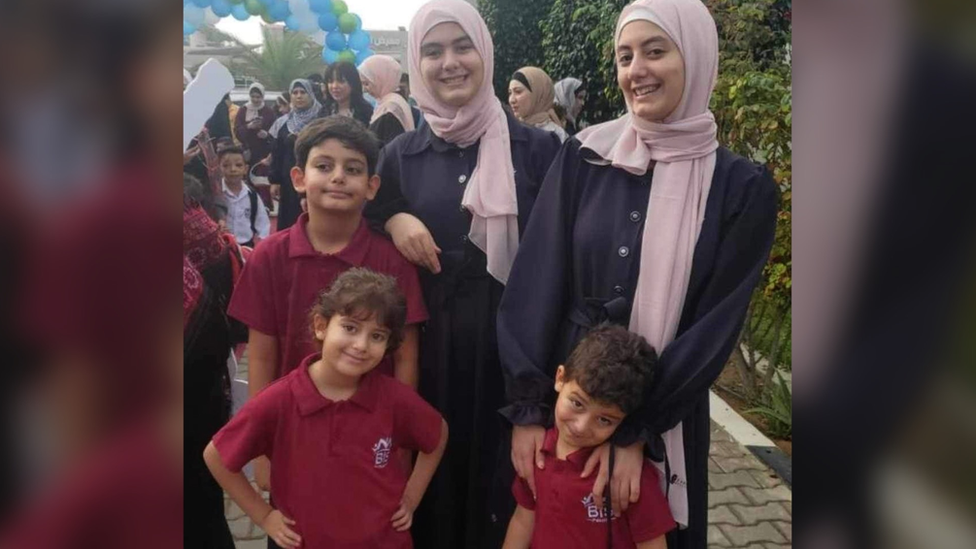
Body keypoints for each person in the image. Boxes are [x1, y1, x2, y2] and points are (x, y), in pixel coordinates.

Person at [497, 1, 779, 548]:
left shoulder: (741, 188)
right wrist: (530, 409)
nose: (636, 70)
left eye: (656, 51)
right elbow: (536, 282)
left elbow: (713, 328)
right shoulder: (586, 157)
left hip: (664, 415)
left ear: (696, 59)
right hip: (569, 405)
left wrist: (634, 430)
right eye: (625, 56)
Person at [362, 1, 562, 546]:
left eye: (462, 46)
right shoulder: (400, 155)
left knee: (507, 489)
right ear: (414, 64)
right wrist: (396, 215)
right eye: (432, 51)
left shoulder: (540, 151)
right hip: (425, 356)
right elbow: (370, 216)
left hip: (516, 356)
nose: (449, 63)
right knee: (433, 491)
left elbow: (562, 263)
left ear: (486, 52)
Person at [228, 116, 428, 495]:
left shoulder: (392, 260)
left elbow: (405, 358)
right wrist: (260, 444)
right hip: (293, 432)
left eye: (352, 169)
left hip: (372, 435)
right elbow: (261, 355)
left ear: (371, 186)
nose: (338, 177)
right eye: (324, 166)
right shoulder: (269, 256)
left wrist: (403, 440)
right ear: (299, 177)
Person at [206, 268, 449, 549]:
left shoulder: (392, 398)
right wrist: (265, 517)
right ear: (321, 326)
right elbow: (217, 456)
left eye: (377, 336)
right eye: (350, 327)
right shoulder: (281, 399)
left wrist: (411, 496)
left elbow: (437, 433)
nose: (361, 345)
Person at [502, 325, 674, 549]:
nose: (581, 426)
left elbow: (652, 544)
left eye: (605, 420)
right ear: (560, 378)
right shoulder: (537, 453)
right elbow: (523, 520)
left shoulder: (627, 476)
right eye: (577, 403)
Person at [268, 79, 325, 231]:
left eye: (303, 92)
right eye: (295, 93)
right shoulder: (285, 122)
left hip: (315, 179)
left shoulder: (321, 121)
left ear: (311, 94)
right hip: (289, 182)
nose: (299, 96)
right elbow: (277, 153)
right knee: (289, 223)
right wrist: (275, 181)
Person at [218, 146, 270, 248]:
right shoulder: (216, 195)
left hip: (246, 246)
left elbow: (263, 223)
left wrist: (263, 245)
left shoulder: (252, 195)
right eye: (226, 166)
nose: (233, 169)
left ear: (245, 169)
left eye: (238, 165)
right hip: (221, 247)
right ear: (219, 168)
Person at [359, 54, 416, 145]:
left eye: (367, 84)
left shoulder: (390, 108)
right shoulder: (391, 101)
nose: (365, 89)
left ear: (380, 79)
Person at [508, 67, 568, 142]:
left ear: (538, 94)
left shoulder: (556, 136)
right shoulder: (510, 132)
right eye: (510, 93)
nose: (511, 100)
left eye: (518, 92)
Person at [233, 83, 276, 165]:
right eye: (253, 97)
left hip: (264, 152)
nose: (255, 100)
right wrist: (248, 127)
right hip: (247, 151)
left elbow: (275, 132)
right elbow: (237, 131)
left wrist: (267, 135)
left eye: (258, 97)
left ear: (262, 97)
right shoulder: (243, 110)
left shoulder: (268, 112)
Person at [323, 61, 374, 127]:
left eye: (341, 81)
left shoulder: (366, 112)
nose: (334, 86)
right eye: (330, 81)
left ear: (353, 83)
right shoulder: (324, 112)